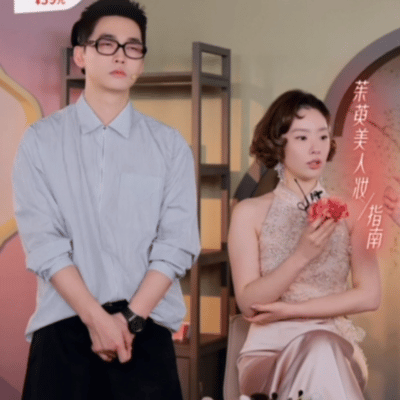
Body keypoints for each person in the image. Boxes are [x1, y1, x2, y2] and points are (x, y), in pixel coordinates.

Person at [12, 1, 200, 399]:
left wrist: (129, 320)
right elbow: (44, 243)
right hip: (63, 328)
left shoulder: (169, 146)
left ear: (141, 63)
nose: (120, 55)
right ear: (81, 55)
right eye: (107, 44)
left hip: (144, 331)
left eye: (133, 47)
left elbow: (176, 244)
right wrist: (96, 318)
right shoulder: (40, 141)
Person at [228, 90, 380, 399]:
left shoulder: (353, 212)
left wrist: (292, 310)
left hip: (336, 346)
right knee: (319, 353)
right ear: (278, 144)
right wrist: (302, 254)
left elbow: (370, 295)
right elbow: (248, 302)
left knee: (321, 347)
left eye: (323, 136)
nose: (316, 148)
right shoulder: (248, 213)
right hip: (268, 352)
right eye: (301, 138)